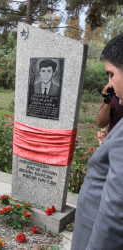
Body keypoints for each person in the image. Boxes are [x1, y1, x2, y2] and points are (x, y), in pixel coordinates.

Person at [72, 33, 123, 249]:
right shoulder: (115, 96)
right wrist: (107, 98)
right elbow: (100, 122)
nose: (109, 81)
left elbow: (115, 211)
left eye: (111, 74)